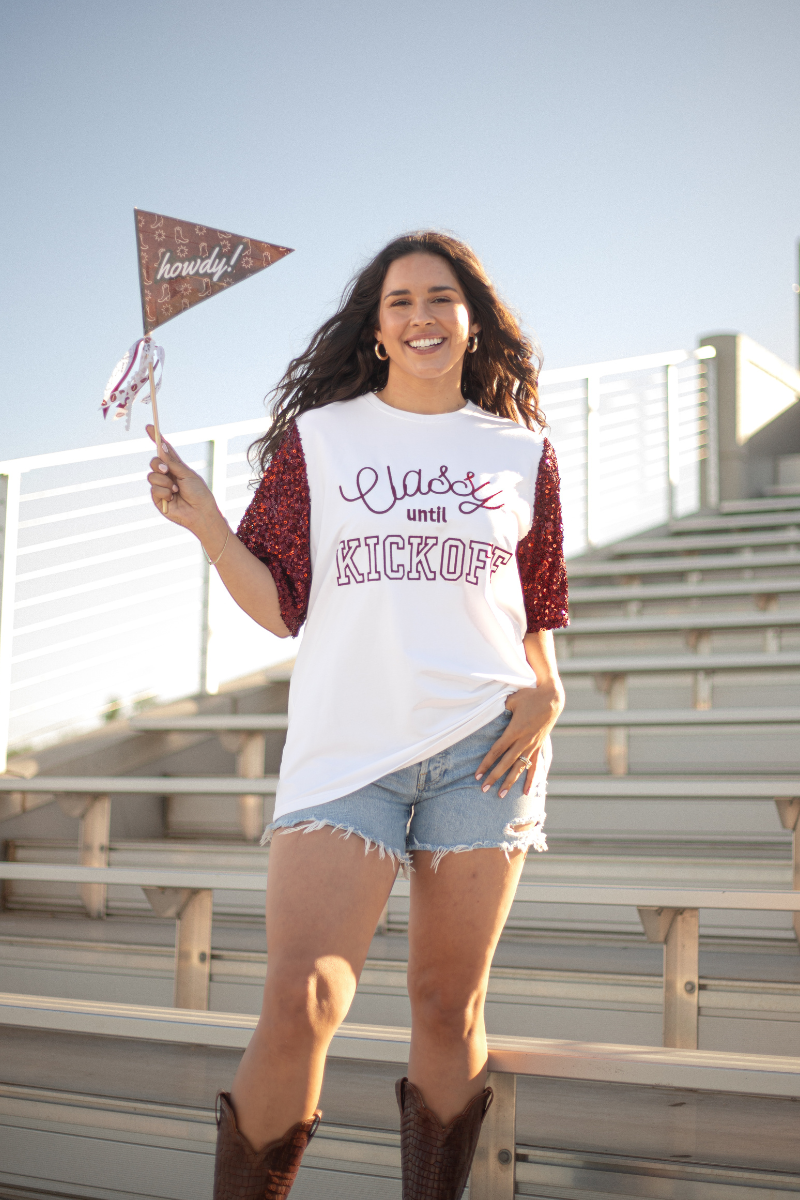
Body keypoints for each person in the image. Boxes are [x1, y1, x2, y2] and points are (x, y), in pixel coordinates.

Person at [147, 230, 568, 1200]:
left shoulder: (522, 453)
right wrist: (208, 522)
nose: (419, 315)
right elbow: (279, 605)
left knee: (445, 1004)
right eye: (398, 302)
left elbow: (535, 597)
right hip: (348, 750)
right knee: (302, 1000)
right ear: (375, 330)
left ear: (471, 321)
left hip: (485, 750)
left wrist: (546, 686)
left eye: (439, 298)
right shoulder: (323, 439)